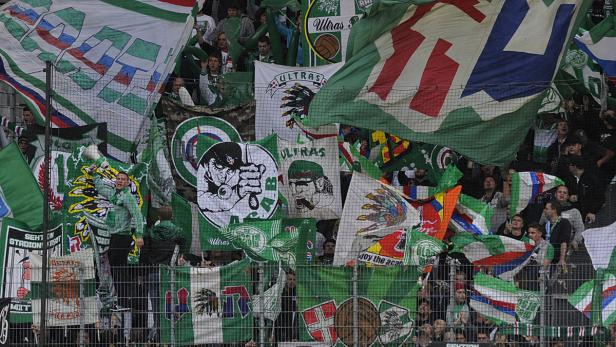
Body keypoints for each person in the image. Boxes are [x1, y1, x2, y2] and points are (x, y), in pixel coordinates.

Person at [90, 167, 144, 311]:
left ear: (127, 183)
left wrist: (139, 235)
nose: (120, 181)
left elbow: (138, 216)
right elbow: (101, 189)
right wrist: (94, 174)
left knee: (118, 269)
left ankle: (124, 301)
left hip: (123, 237)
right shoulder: (115, 194)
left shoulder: (128, 197)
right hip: (115, 237)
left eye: (123, 180)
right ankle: (122, 300)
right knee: (116, 269)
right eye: (118, 179)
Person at [140, 206, 185, 343]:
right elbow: (183, 248)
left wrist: (142, 274)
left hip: (153, 273)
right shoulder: (178, 232)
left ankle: (159, 336)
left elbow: (144, 254)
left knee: (156, 307)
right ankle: (172, 335)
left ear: (159, 217)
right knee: (171, 305)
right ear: (171, 217)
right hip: (170, 274)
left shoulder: (150, 233)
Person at [565, 155, 605, 223]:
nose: (568, 166)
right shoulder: (570, 179)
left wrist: (592, 212)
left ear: (574, 166)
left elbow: (600, 198)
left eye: (569, 165)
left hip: (589, 216)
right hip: (574, 214)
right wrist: (570, 197)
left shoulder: (591, 179)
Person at [542, 201, 571, 269]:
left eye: (546, 209)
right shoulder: (545, 225)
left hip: (556, 261)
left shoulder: (564, 222)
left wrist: (562, 259)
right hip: (545, 259)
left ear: (554, 210)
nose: (544, 210)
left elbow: (564, 242)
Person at [274, 271, 299, 342]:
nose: (292, 282)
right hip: (281, 321)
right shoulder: (280, 292)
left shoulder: (297, 292)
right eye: (290, 279)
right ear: (285, 280)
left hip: (292, 321)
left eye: (294, 280)